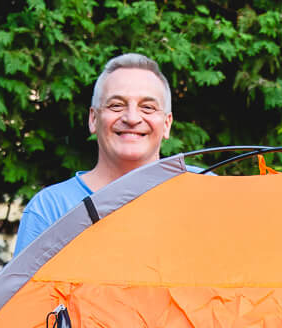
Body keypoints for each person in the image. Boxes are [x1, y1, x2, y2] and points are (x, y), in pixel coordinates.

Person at [13, 53, 175, 255]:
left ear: (167, 124)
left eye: (148, 107)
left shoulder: (202, 194)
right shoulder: (50, 209)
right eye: (116, 105)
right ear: (93, 119)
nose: (132, 118)